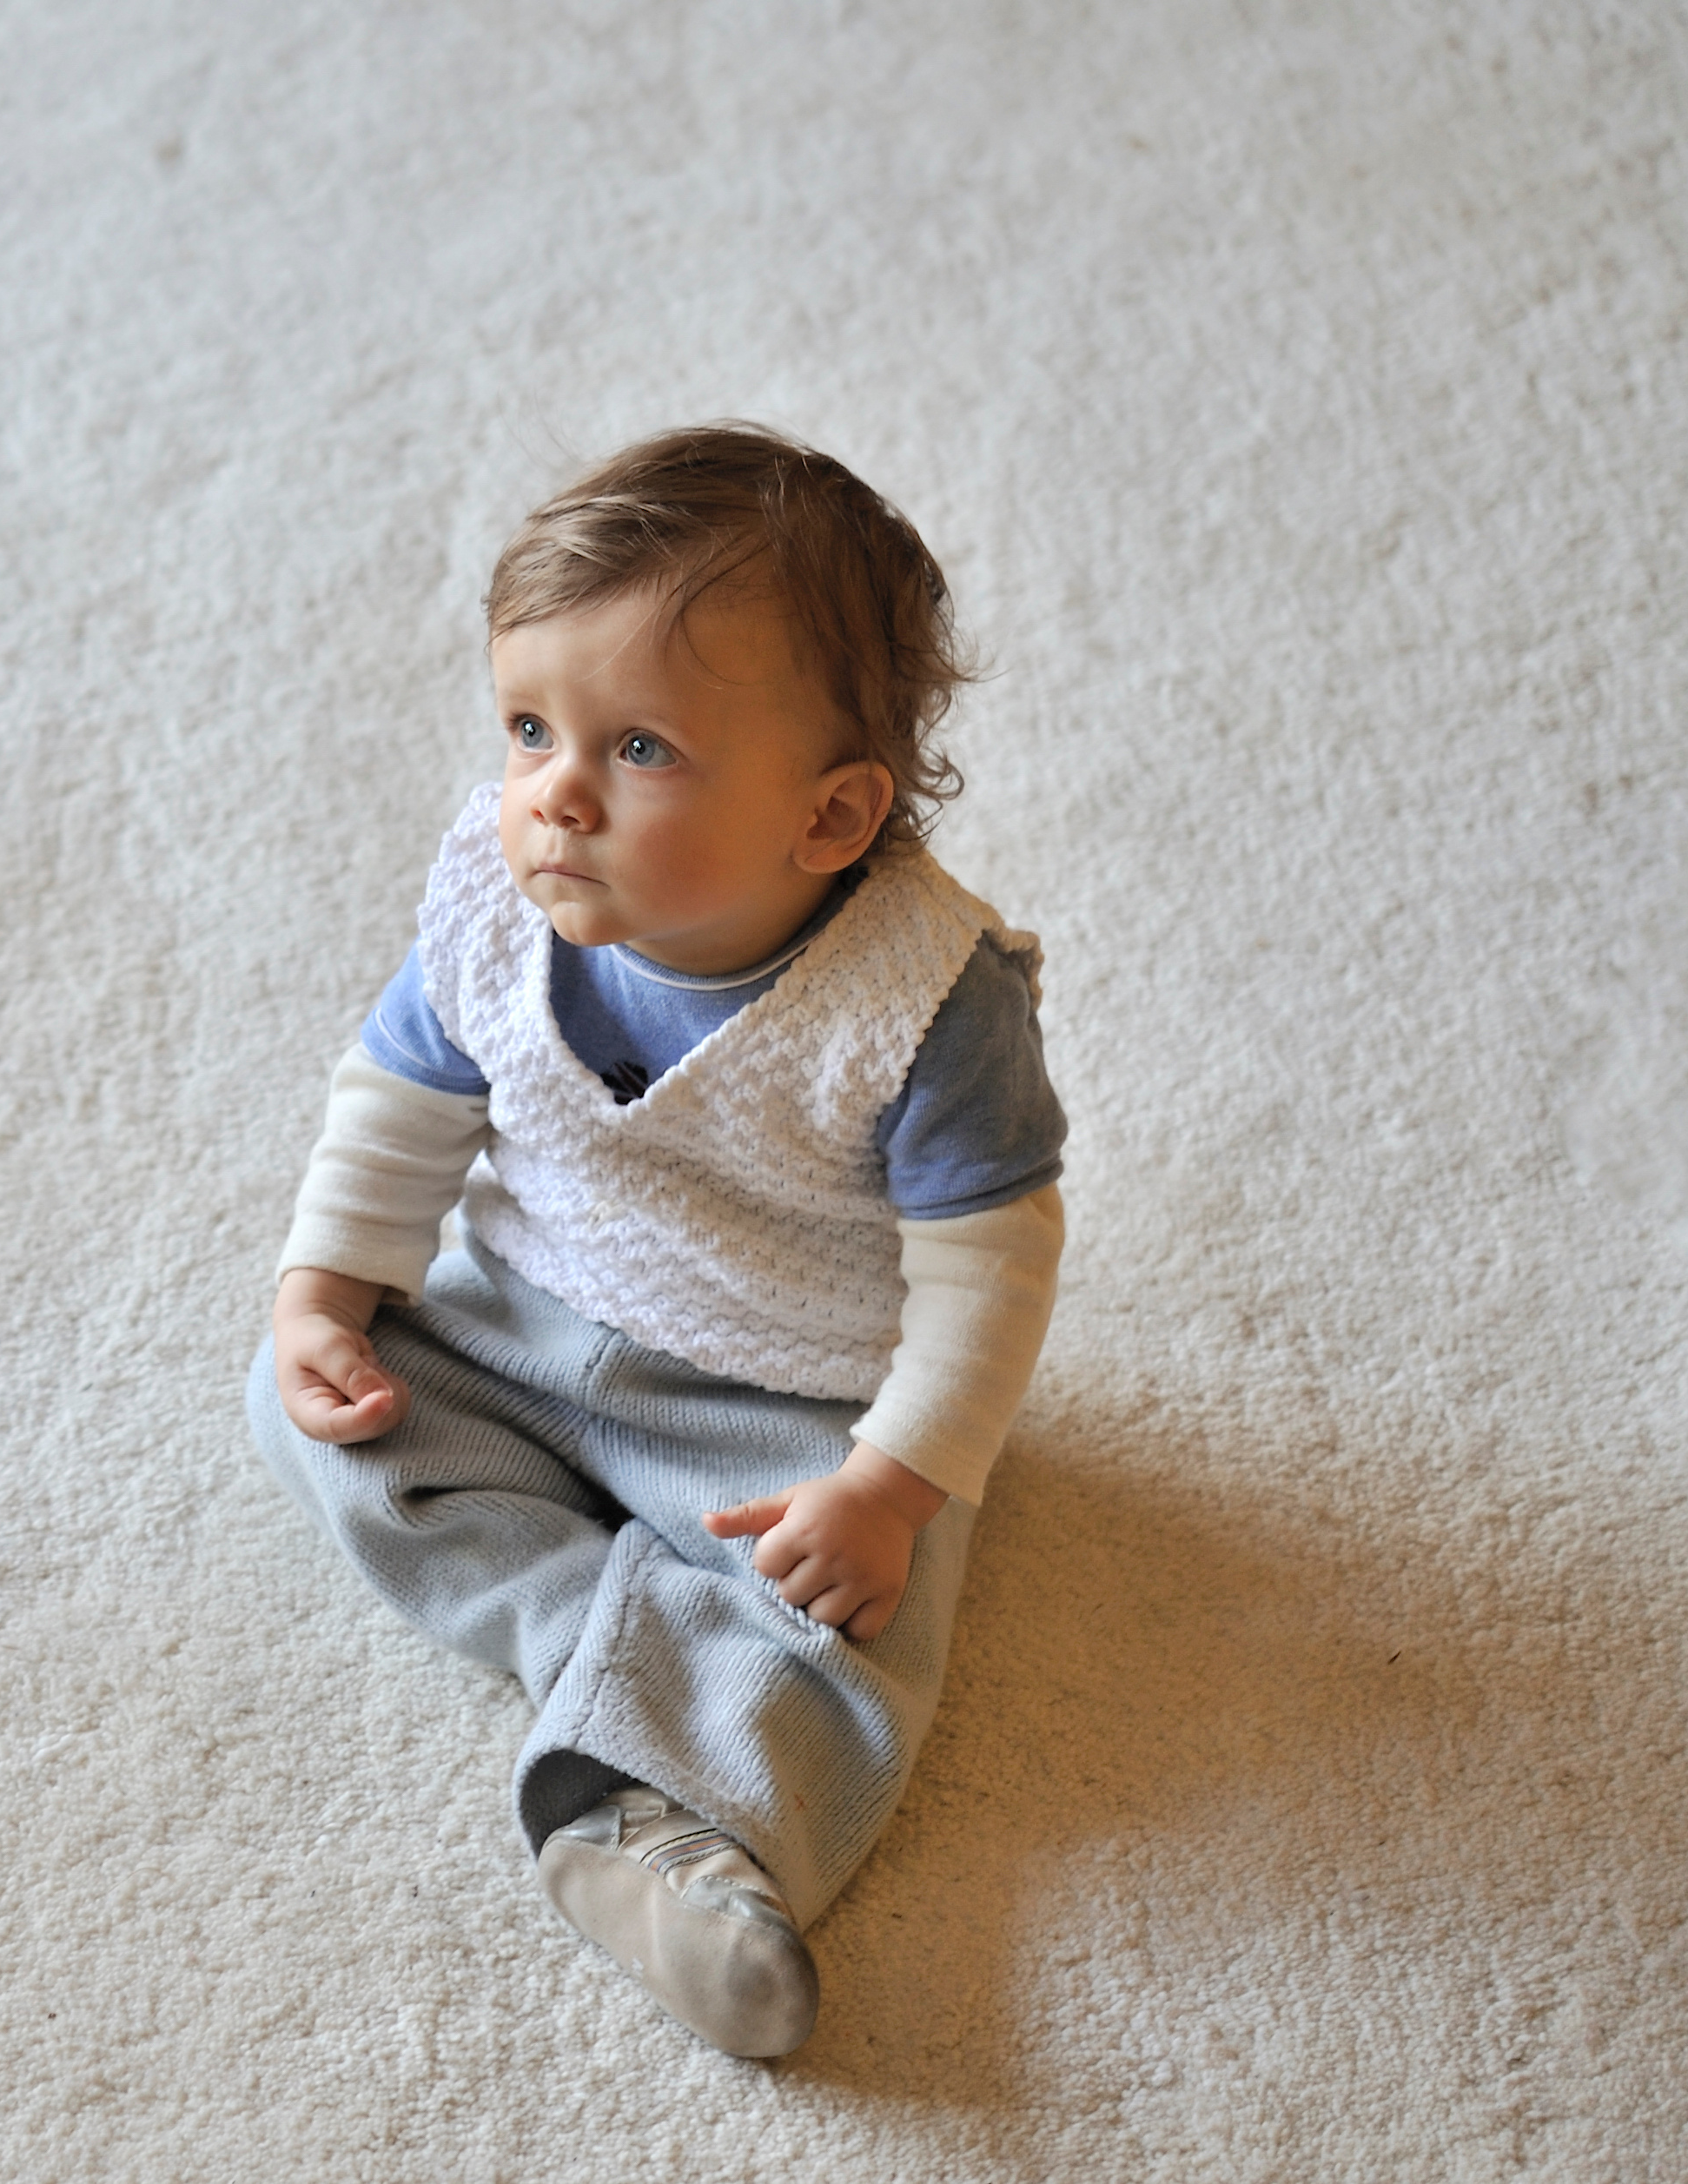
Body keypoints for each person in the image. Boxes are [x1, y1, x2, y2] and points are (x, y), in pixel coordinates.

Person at [248, 423, 1065, 2058]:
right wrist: (324, 1291)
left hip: (781, 1410)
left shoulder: (922, 1001)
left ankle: (662, 1831)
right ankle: (585, 1621)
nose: (550, 789)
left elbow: (994, 1264)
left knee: (859, 1627)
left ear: (831, 818)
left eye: (640, 751)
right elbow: (401, 1097)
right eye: (530, 724)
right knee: (312, 1413)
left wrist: (892, 1484)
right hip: (515, 1313)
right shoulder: (496, 897)